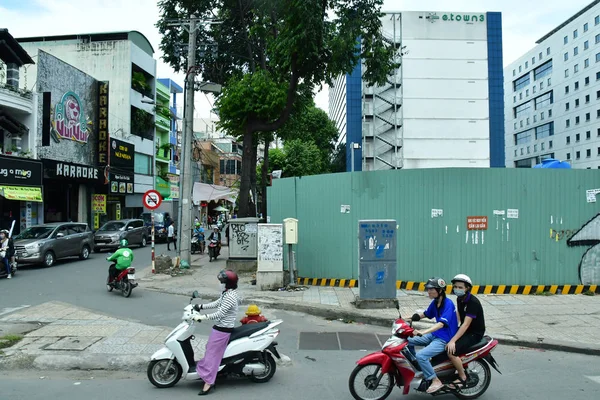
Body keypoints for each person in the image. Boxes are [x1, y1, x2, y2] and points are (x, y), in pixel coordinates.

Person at [193, 270, 241, 395]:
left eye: (222, 282)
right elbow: (218, 303)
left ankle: (209, 382)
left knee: (213, 356)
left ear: (228, 283)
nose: (220, 284)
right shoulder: (227, 293)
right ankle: (207, 373)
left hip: (223, 330)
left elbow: (220, 313)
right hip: (219, 328)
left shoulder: (230, 296)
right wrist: (201, 306)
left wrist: (203, 317)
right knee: (209, 350)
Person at [408, 277, 459, 394]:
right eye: (428, 289)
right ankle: (416, 364)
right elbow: (425, 314)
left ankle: (435, 380)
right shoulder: (435, 302)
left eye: (431, 289)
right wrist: (405, 319)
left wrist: (423, 331)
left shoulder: (448, 304)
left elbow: (441, 324)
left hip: (444, 339)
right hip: (435, 335)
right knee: (407, 340)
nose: (429, 292)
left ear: (440, 291)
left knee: (421, 355)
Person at [446, 274, 486, 389]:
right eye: (455, 287)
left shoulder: (473, 302)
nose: (457, 290)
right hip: (466, 330)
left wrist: (453, 340)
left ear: (467, 288)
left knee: (451, 351)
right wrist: (451, 327)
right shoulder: (460, 298)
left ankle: (463, 377)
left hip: (474, 333)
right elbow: (459, 315)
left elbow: (466, 324)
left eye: (460, 287)